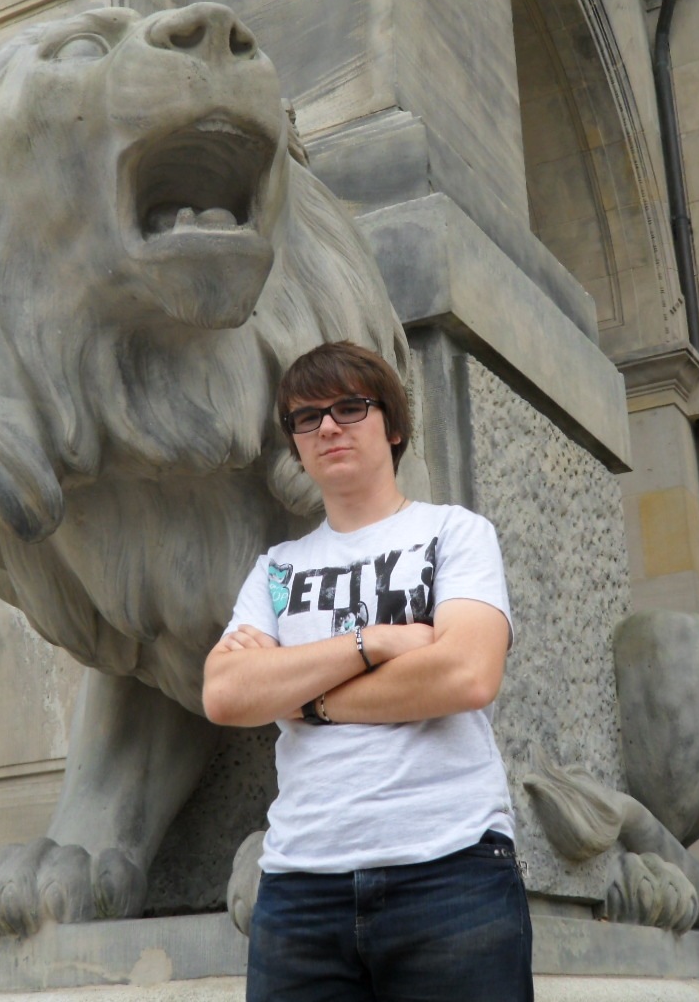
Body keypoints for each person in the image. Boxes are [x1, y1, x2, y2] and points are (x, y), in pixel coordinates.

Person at [202, 340, 531, 1001]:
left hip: (449, 871)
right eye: (306, 417)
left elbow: (466, 676)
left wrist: (308, 699)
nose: (327, 426)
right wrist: (374, 642)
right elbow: (227, 692)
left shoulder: (454, 534)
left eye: (350, 408)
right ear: (297, 445)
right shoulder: (276, 569)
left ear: (394, 426)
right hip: (299, 885)